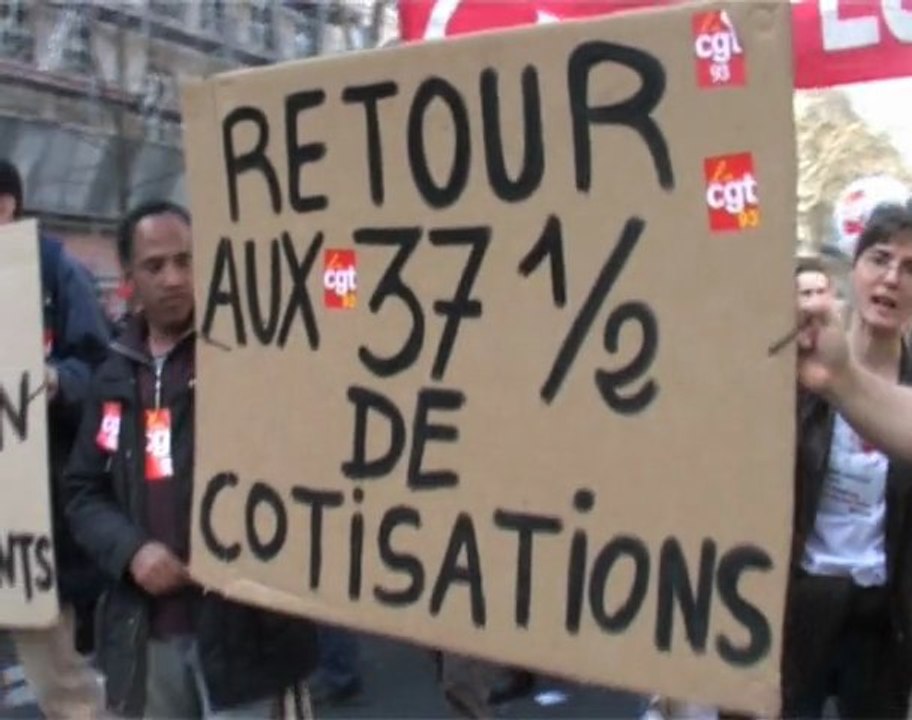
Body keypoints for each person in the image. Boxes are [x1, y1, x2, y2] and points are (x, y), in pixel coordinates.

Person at [63, 200, 319, 718]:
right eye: (155, 266)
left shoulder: (253, 352)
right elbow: (83, 492)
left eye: (187, 260)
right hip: (148, 640)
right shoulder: (112, 376)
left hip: (248, 640)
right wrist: (133, 552)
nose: (174, 278)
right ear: (129, 276)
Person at [785, 202, 912, 718]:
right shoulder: (804, 364)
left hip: (883, 617)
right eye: (880, 259)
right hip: (804, 602)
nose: (892, 278)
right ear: (852, 271)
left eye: (911, 269)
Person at [0, 159, 109, 718]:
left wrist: (56, 381)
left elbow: (105, 374)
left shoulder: (53, 272)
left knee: (62, 686)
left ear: (6, 205)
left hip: (33, 526)